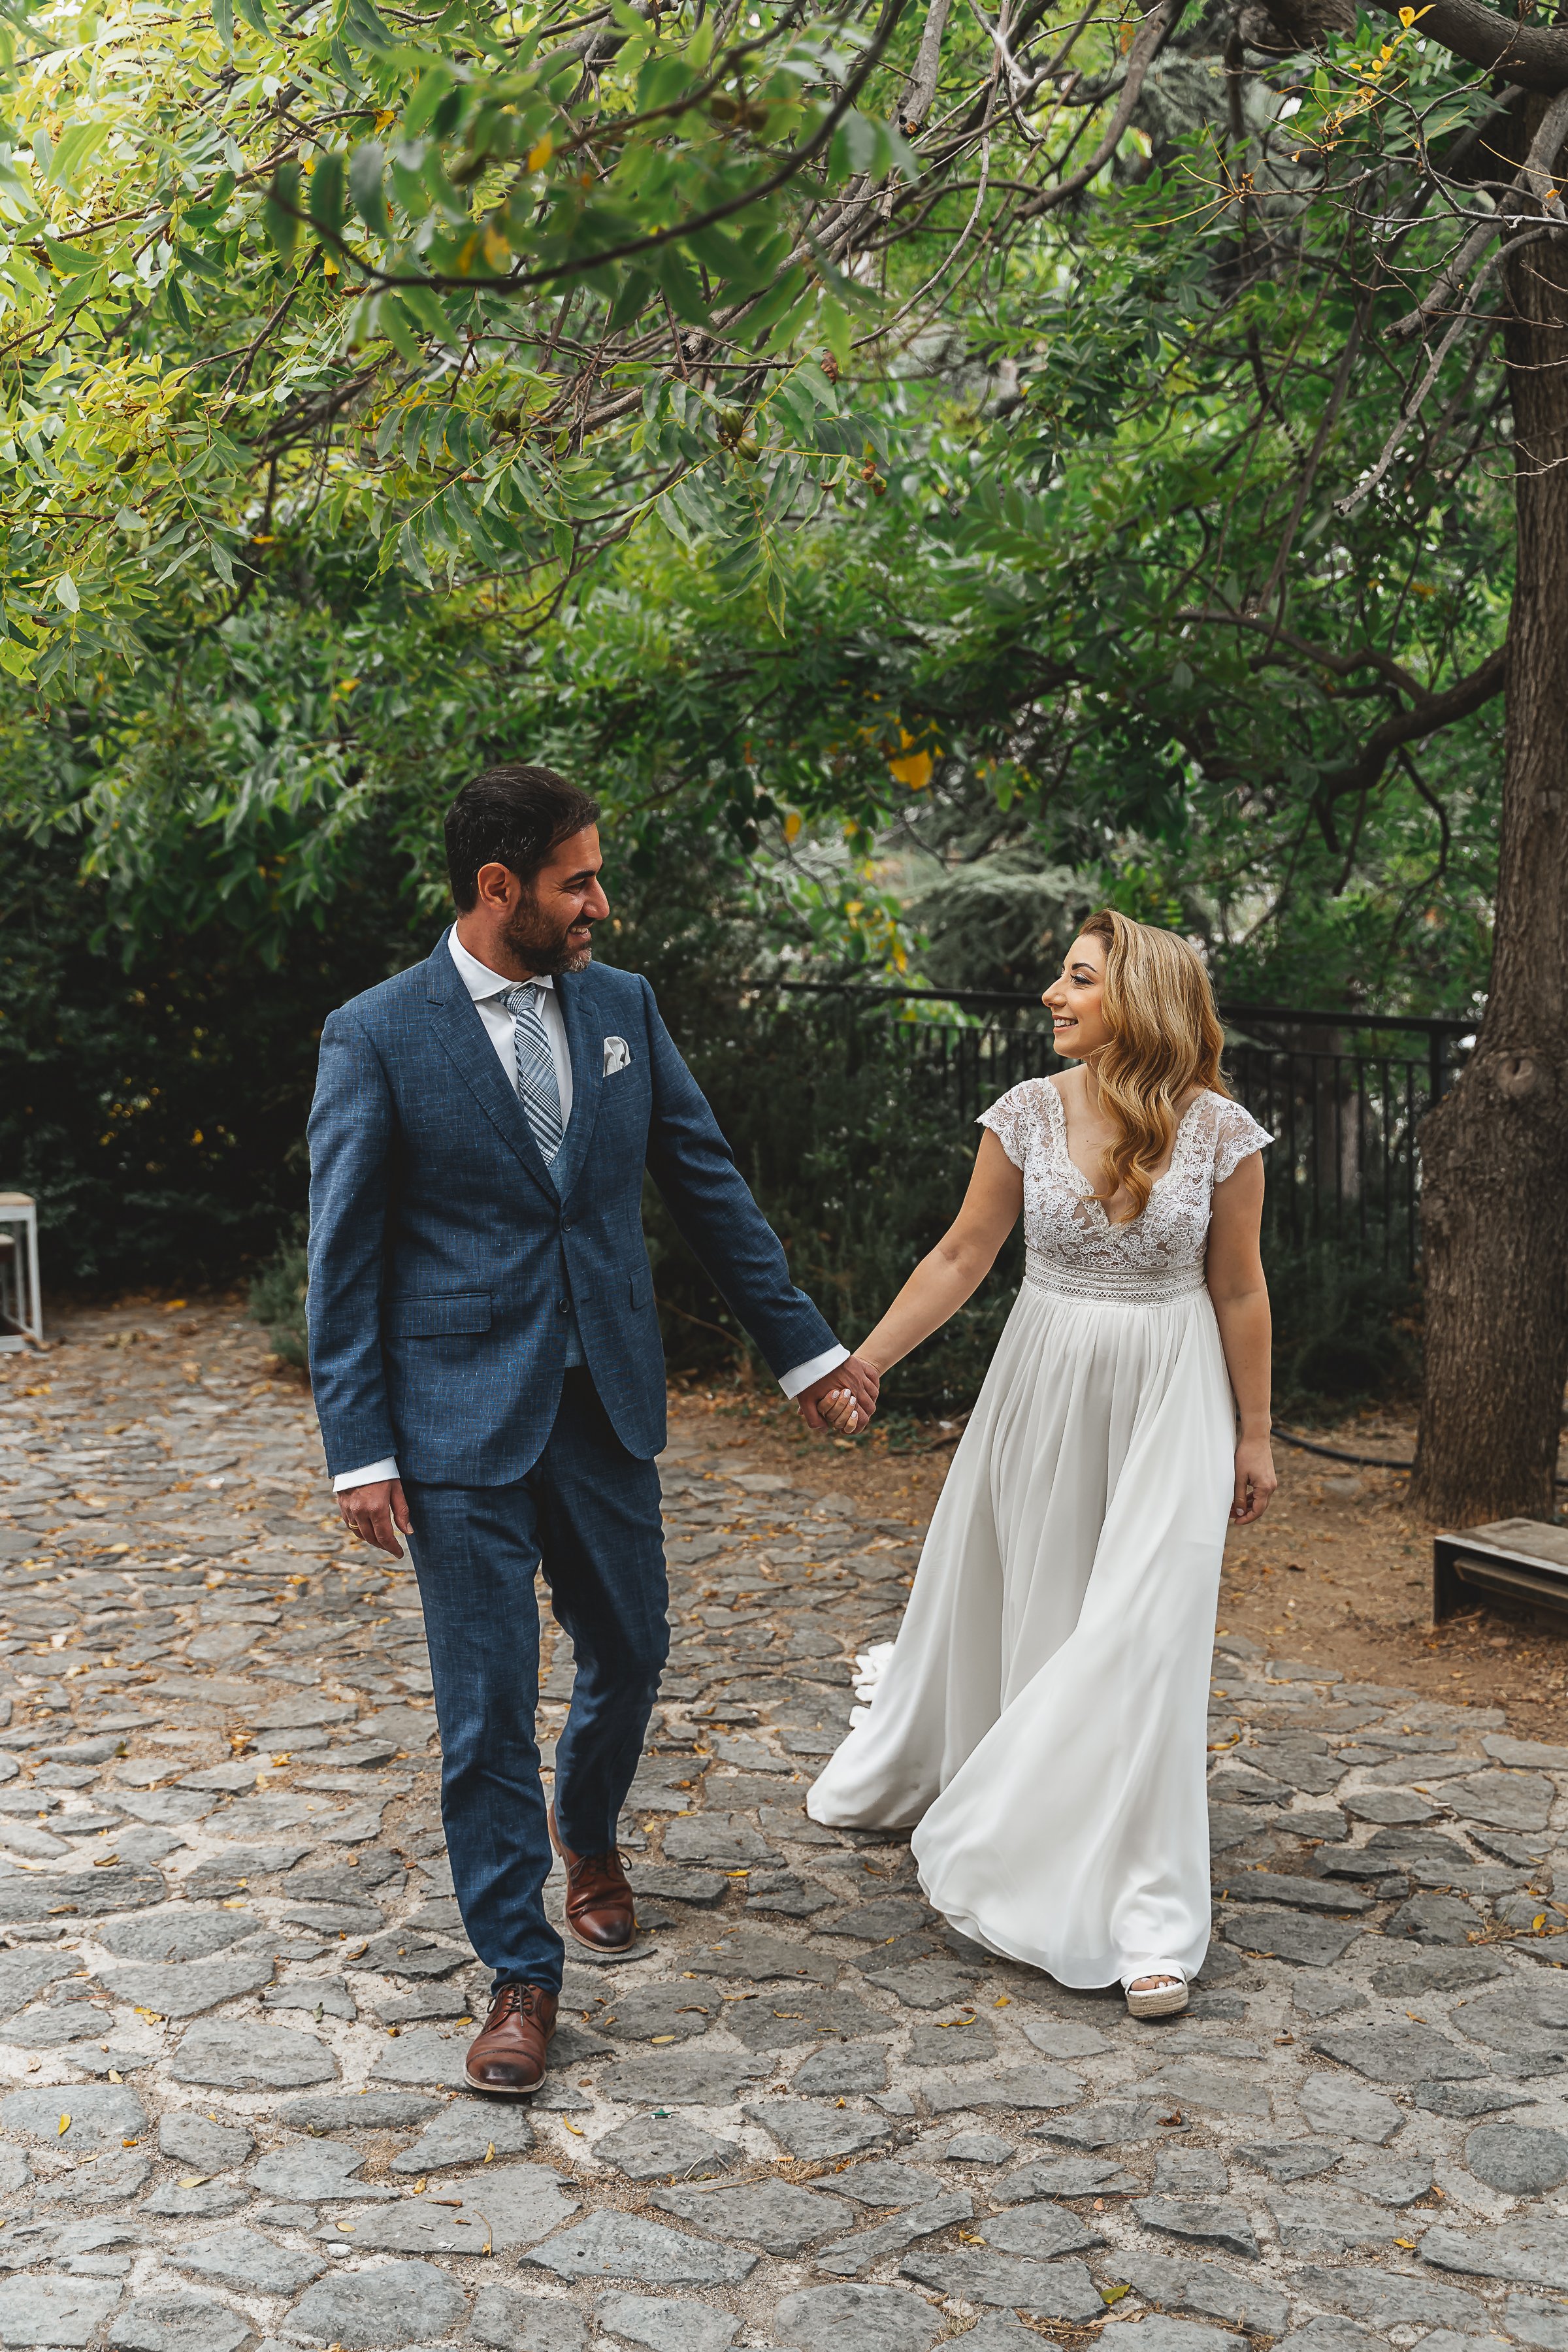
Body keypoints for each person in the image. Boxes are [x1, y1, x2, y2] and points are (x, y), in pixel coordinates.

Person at [306, 764, 879, 2096]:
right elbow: (345, 1259)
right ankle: (520, 1972)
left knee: (633, 1642)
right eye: (578, 882)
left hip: (603, 1402)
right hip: (456, 1421)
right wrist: (362, 1448)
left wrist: (803, 1350)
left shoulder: (621, 1008)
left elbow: (707, 1184)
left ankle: (589, 1827)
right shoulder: (378, 1034)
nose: (600, 904)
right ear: (499, 889)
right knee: (486, 1706)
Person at [808, 910, 1275, 2019]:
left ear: (1142, 997)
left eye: (1078, 980)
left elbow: (1242, 1289)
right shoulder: (1024, 1112)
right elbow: (964, 1253)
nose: (1053, 999)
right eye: (1058, 979)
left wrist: (1256, 1432)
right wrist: (861, 1364)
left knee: (1142, 1636)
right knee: (1053, 1613)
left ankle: (1146, 1908)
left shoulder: (1223, 1134)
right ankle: (1033, 1818)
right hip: (1045, 1386)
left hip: (1174, 1393)